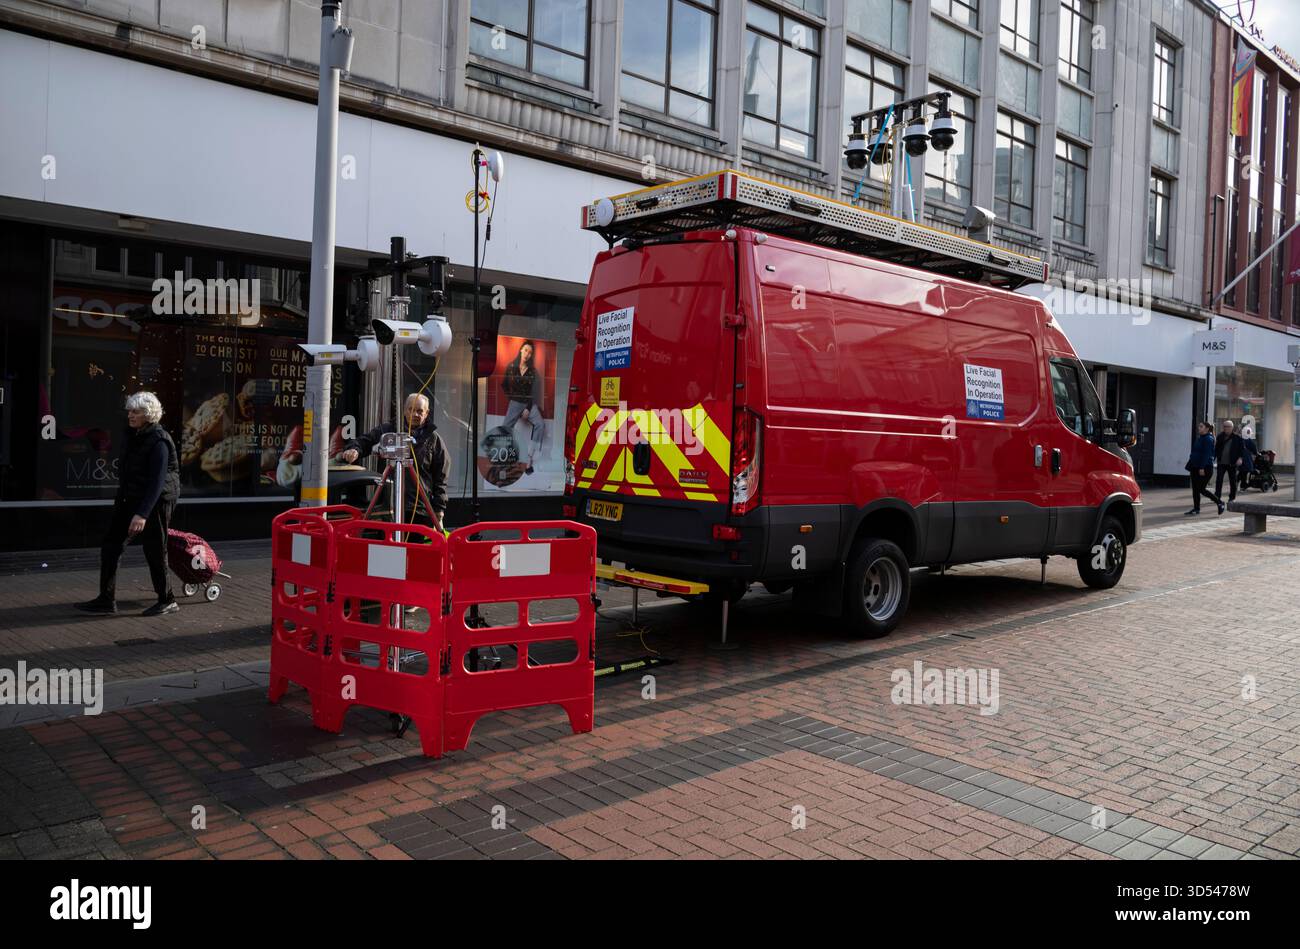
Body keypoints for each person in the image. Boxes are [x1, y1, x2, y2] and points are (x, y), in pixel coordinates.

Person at [77, 391, 181, 615]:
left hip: (157, 501)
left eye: (135, 412)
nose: (130, 415)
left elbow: (157, 482)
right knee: (112, 544)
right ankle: (106, 599)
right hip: (130, 498)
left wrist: (142, 514)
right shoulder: (132, 435)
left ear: (148, 414)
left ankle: (167, 599)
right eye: (129, 411)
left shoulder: (160, 440)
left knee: (155, 548)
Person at [341, 393, 449, 530]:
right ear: (404, 410)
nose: (415, 414)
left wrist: (439, 508)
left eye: (420, 411)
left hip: (420, 509)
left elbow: (442, 476)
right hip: (388, 507)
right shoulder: (388, 430)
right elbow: (365, 441)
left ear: (427, 413)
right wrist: (354, 449)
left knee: (416, 550)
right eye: (411, 409)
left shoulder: (433, 439)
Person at [500, 339, 545, 475]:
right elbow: (504, 385)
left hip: (528, 404)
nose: (527, 354)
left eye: (530, 352)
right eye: (525, 350)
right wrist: (512, 398)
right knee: (505, 429)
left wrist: (527, 408)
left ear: (531, 355)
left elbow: (535, 393)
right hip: (515, 402)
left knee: (540, 425)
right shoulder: (511, 366)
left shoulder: (533, 372)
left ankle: (529, 458)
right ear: (521, 350)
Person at [1185, 421, 1222, 516]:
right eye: (1199, 426)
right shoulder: (1200, 438)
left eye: (1201, 426)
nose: (1199, 428)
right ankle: (1196, 509)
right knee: (1195, 489)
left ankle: (1219, 502)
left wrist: (1201, 467)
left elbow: (1206, 455)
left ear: (1207, 429)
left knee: (1201, 489)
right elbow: (1196, 452)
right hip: (1195, 467)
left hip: (1205, 468)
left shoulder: (1208, 439)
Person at [1214, 419, 1245, 503]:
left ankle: (1232, 497)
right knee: (1219, 480)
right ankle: (1217, 496)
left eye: (1227, 427)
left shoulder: (1237, 438)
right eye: (1224, 426)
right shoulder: (1220, 436)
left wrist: (1240, 458)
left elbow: (1242, 450)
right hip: (1221, 462)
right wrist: (1214, 458)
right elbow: (1216, 449)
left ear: (1232, 427)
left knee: (1232, 481)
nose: (1225, 428)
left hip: (1232, 463)